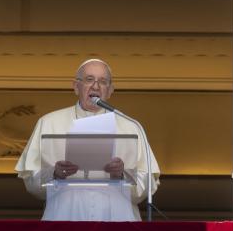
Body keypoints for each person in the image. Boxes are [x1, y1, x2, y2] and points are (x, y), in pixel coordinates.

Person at [15, 59, 160, 221]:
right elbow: (31, 181)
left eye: (103, 81)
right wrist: (54, 173)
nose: (96, 86)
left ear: (110, 90)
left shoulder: (132, 126)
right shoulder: (49, 122)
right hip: (65, 217)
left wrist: (122, 174)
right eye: (89, 80)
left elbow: (148, 185)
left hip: (117, 219)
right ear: (76, 86)